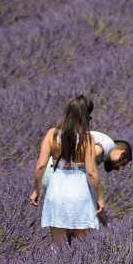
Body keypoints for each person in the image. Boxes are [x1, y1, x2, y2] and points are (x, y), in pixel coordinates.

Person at [30, 94, 108, 246]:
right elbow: (91, 171)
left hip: (56, 191)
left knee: (57, 246)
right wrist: (99, 198)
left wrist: (36, 191)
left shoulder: (51, 134)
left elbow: (40, 166)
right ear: (86, 116)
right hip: (80, 192)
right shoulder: (87, 139)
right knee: (81, 245)